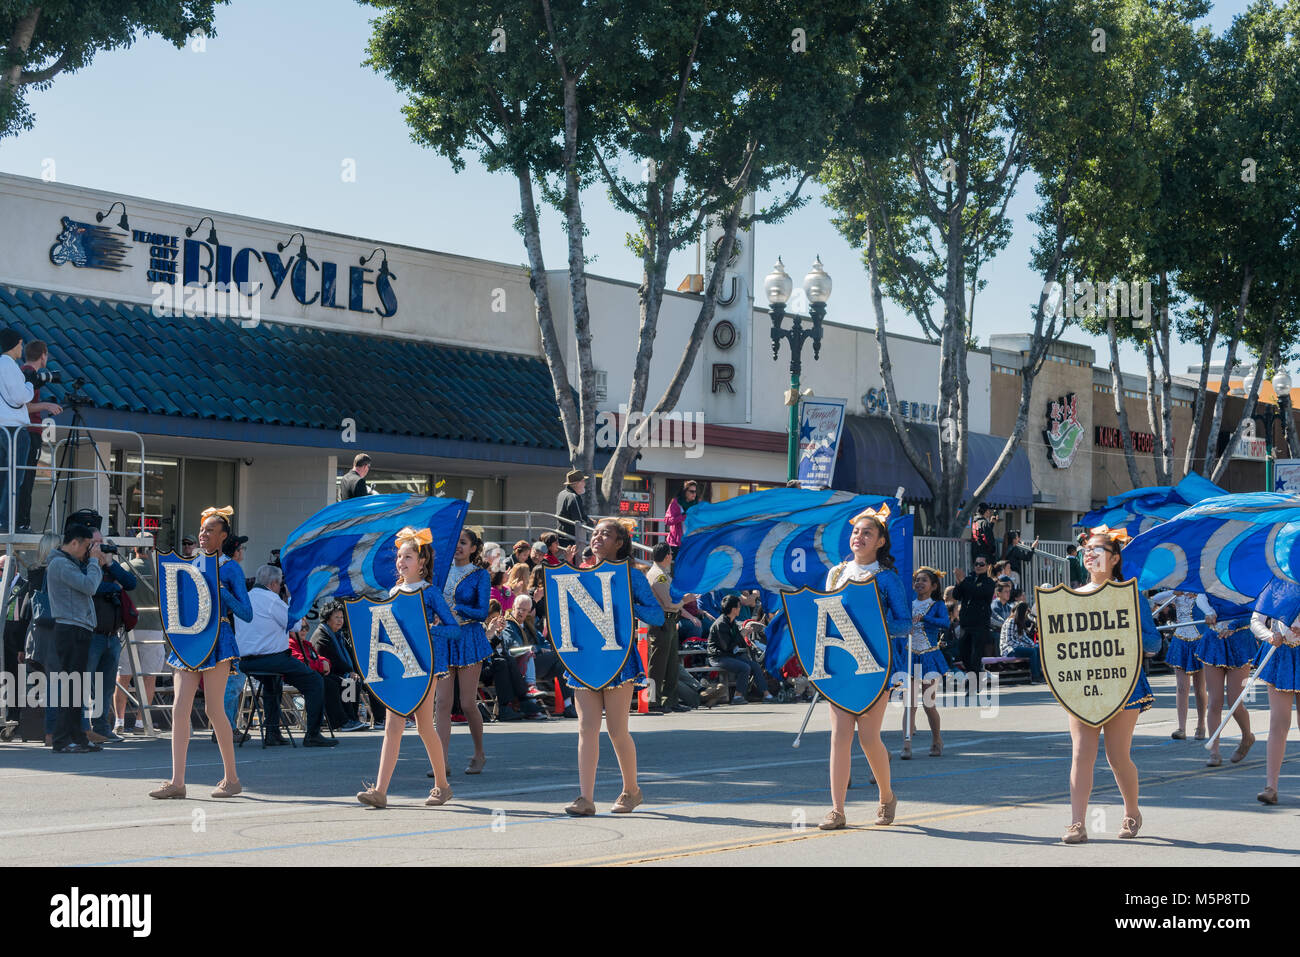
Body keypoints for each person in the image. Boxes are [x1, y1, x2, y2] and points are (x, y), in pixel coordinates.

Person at [1060, 527, 1160, 844]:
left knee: (1117, 757)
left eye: (1098, 549)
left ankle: (1132, 811)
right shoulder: (1071, 597)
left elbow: (1155, 644)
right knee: (1081, 754)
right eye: (1086, 549)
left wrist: (1131, 632)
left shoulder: (1132, 595)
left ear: (1115, 558)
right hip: (1083, 685)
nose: (1089, 553)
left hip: (1124, 684)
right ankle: (1077, 823)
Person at [149, 506, 253, 799]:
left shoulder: (230, 567)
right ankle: (177, 781)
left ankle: (232, 778)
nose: (203, 534)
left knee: (213, 708)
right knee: (179, 708)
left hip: (218, 640)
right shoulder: (190, 564)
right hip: (189, 640)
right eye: (202, 529)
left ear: (223, 536)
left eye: (210, 530)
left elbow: (246, 612)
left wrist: (222, 591)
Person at [563, 517, 664, 816]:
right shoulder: (578, 574)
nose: (597, 538)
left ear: (620, 542)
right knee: (586, 728)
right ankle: (585, 798)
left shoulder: (631, 576)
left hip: (619, 659)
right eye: (595, 534)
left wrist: (626, 604)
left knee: (617, 729)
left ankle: (631, 790)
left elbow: (656, 616)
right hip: (584, 659)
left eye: (605, 534)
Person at [816, 505, 908, 830]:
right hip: (841, 664)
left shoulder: (887, 579)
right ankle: (837, 810)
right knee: (839, 736)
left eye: (867, 532)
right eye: (856, 531)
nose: (859, 536)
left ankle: (886, 796)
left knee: (869, 738)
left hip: (876, 666)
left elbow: (904, 624)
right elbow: (823, 617)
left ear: (881, 541)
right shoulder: (836, 574)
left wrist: (875, 623)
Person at [356, 527, 458, 808]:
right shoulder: (392, 591)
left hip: (425, 667)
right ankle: (380, 790)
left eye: (408, 556)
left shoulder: (430, 592)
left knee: (425, 726)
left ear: (422, 562)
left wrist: (429, 630)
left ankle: (442, 785)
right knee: (393, 727)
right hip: (399, 665)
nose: (402, 561)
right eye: (400, 556)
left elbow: (453, 629)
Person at [233, 563, 339, 748]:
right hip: (272, 659)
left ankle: (272, 733)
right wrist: (290, 600)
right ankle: (312, 734)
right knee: (315, 681)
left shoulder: (245, 598)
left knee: (272, 683)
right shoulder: (272, 600)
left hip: (247, 662)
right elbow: (296, 626)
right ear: (274, 584)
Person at [435, 526, 492, 775]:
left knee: (467, 703)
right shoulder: (439, 572)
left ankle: (479, 753)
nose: (458, 546)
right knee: (442, 703)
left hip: (469, 637)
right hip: (445, 638)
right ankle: (441, 762)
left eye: (463, 542)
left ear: (473, 548)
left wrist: (458, 608)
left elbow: (482, 612)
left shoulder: (479, 574)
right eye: (455, 541)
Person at [46, 524, 104, 753]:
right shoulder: (60, 564)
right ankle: (61, 740)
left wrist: (92, 561)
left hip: (78, 628)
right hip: (70, 629)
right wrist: (94, 562)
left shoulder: (69, 563)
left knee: (76, 688)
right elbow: (90, 586)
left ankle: (77, 737)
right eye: (87, 546)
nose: (89, 551)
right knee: (71, 687)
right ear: (74, 543)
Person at [1248, 576, 1300, 805]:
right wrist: (1270, 635)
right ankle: (1271, 786)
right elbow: (1256, 620)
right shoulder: (1274, 584)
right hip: (1281, 656)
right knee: (1278, 723)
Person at [85, 530, 138, 743]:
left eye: (101, 542)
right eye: (95, 543)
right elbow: (90, 587)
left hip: (112, 636)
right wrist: (113, 588)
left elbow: (131, 583)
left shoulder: (109, 567)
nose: (99, 547)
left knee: (106, 686)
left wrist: (110, 564)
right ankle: (82, 728)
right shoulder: (83, 564)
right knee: (84, 683)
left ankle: (101, 728)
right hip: (91, 635)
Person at [1194, 595, 1256, 768]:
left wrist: (1234, 625)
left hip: (1240, 641)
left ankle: (1247, 737)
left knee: (1235, 702)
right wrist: (1208, 611)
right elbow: (1200, 596)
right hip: (1214, 640)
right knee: (1215, 701)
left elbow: (1256, 613)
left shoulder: (1245, 580)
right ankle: (1214, 751)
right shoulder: (1211, 575)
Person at [900, 566, 950, 758]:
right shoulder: (907, 604)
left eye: (924, 580)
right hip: (911, 654)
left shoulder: (937, 605)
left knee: (928, 703)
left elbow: (945, 623)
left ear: (934, 585)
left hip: (929, 655)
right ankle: (906, 745)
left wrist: (925, 618)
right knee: (909, 703)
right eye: (917, 580)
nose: (919, 583)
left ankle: (937, 739)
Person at [15, 340, 62, 532]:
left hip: (27, 430)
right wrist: (46, 405)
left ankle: (20, 521)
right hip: (29, 431)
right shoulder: (28, 373)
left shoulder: (24, 372)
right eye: (47, 354)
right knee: (26, 478)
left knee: (24, 477)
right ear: (43, 354)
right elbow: (22, 405)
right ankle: (22, 522)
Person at [289, 616, 366, 732]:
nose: (304, 630)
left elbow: (320, 658)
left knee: (347, 683)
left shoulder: (306, 644)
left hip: (315, 674)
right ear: (291, 630)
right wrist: (322, 665)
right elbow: (302, 662)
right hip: (299, 677)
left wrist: (325, 662)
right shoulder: (290, 644)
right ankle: (340, 722)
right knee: (330, 685)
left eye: (306, 627)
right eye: (300, 628)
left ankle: (351, 718)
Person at [1152, 589, 1210, 741]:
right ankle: (1181, 727)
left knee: (1199, 687)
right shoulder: (1177, 592)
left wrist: (1198, 594)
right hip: (1180, 639)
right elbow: (1156, 599)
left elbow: (1211, 604)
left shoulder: (1202, 591)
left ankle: (1201, 724)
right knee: (1182, 687)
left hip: (1199, 639)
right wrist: (1173, 592)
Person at [646, 542, 696, 714]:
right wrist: (686, 600)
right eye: (671, 554)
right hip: (662, 622)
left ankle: (670, 699)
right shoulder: (658, 575)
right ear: (667, 555)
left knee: (671, 664)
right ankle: (653, 701)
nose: (672, 557)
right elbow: (669, 602)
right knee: (658, 664)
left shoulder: (662, 574)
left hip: (668, 621)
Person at [707, 595, 772, 705]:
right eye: (739, 606)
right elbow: (726, 646)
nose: (740, 608)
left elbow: (739, 643)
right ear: (733, 609)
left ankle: (767, 695)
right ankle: (737, 697)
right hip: (718, 657)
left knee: (755, 665)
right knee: (744, 667)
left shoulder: (732, 622)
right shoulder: (720, 624)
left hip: (729, 655)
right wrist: (741, 634)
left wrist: (746, 633)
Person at [0, 328, 34, 531]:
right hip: (14, 428)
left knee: (4, 475)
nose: (21, 348)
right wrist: (30, 385)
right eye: (20, 344)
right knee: (15, 476)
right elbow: (21, 397)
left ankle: (3, 520)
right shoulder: (8, 364)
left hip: (2, 427)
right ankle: (6, 521)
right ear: (16, 343)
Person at [952, 556, 996, 673]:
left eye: (981, 564)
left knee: (975, 656)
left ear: (987, 566)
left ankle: (974, 685)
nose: (978, 566)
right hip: (966, 623)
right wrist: (958, 582)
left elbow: (978, 593)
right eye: (976, 564)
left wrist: (963, 581)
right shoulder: (968, 579)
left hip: (980, 624)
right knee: (963, 652)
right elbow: (956, 595)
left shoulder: (989, 582)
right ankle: (975, 675)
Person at [998, 601, 1043, 683]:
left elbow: (1023, 637)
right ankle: (1035, 677)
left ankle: (1040, 673)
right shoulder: (1011, 621)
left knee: (1037, 648)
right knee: (1032, 651)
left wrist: (1033, 644)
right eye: (1026, 612)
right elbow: (1009, 641)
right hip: (1008, 650)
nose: (1027, 614)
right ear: (1022, 611)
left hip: (1015, 648)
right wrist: (1025, 646)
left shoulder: (1019, 622)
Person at [555, 469, 590, 549]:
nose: (584, 484)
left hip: (562, 535)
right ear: (577, 483)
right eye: (583, 481)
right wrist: (591, 522)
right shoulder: (573, 497)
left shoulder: (562, 494)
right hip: (572, 538)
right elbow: (579, 519)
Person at [664, 480, 699, 555]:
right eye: (691, 491)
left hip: (691, 543)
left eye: (695, 492)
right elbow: (667, 521)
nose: (694, 494)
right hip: (676, 544)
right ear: (685, 492)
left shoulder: (696, 505)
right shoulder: (676, 503)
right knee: (675, 566)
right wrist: (683, 517)